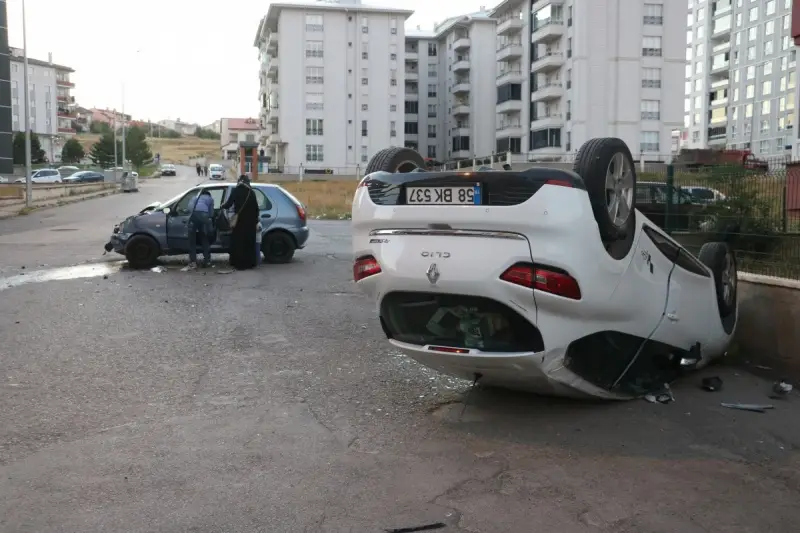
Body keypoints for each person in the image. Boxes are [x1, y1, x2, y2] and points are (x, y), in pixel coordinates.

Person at [220, 175, 259, 270]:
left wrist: (222, 206)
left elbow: (228, 204)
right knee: (249, 242)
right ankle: (250, 263)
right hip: (250, 223)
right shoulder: (252, 193)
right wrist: (256, 220)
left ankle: (239, 264)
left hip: (240, 222)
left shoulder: (235, 191)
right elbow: (256, 209)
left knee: (239, 242)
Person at [186, 190, 215, 269]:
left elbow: (189, 208)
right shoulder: (210, 198)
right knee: (204, 237)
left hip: (193, 216)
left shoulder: (195, 197)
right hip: (204, 216)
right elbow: (211, 213)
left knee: (192, 239)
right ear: (208, 194)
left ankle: (193, 262)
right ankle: (207, 261)